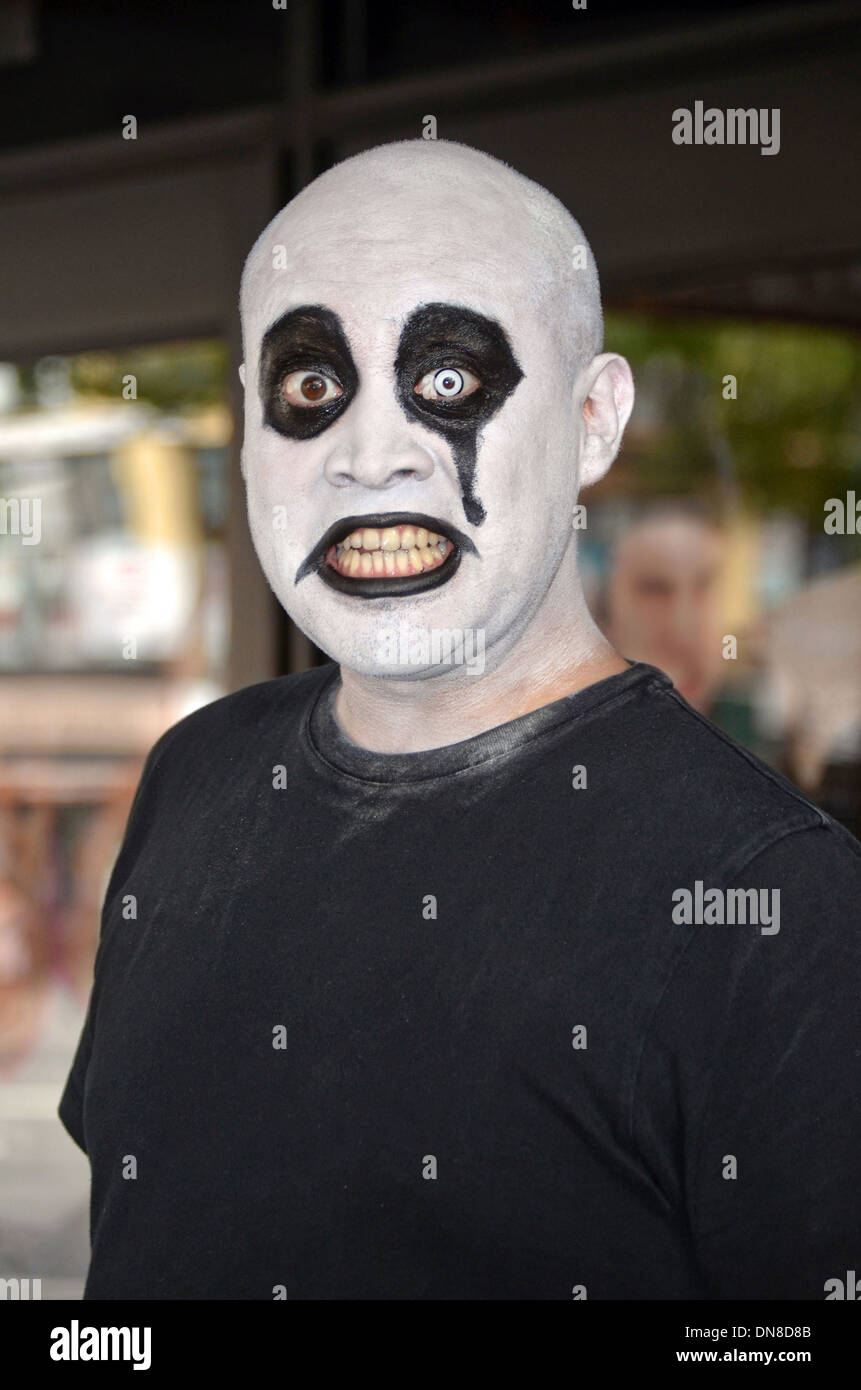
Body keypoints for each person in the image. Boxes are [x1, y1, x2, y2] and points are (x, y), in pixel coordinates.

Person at [60, 139, 861, 1300]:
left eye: (444, 382)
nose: (368, 455)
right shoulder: (197, 773)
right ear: (248, 425)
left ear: (594, 419)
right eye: (310, 389)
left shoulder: (776, 902)